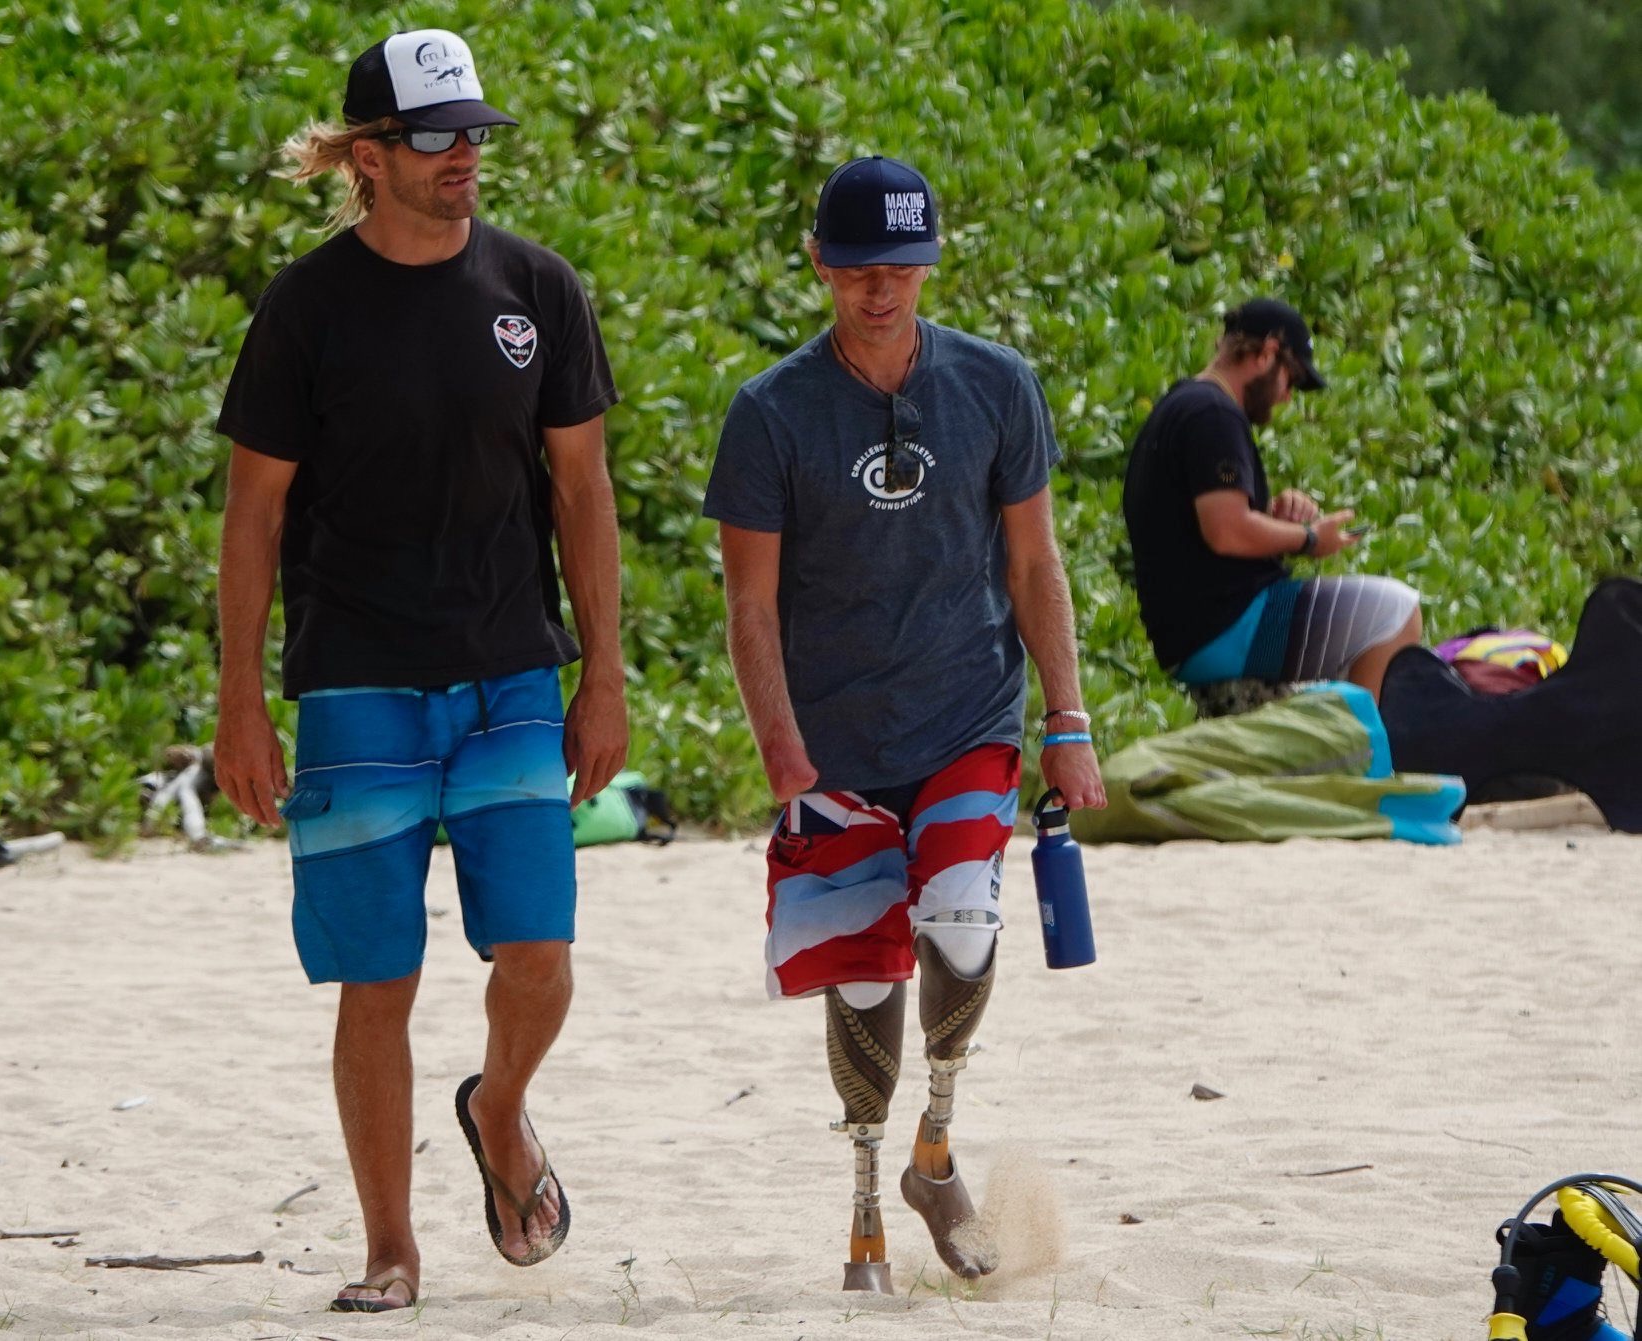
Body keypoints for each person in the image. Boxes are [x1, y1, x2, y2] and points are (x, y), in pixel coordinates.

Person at [210, 28, 624, 1314]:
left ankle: (498, 1109)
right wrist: (238, 704)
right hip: (354, 686)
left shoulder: (536, 288)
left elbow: (582, 490)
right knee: (375, 979)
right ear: (367, 157)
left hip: (510, 675)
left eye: (474, 135)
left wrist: (604, 675)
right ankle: (390, 1250)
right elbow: (253, 515)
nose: (464, 158)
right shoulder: (305, 308)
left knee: (538, 952)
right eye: (435, 137)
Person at [703, 155, 1107, 1294]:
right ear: (820, 264)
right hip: (832, 743)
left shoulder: (996, 384)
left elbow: (1034, 563)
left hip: (965, 716)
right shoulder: (769, 412)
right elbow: (748, 606)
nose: (879, 289)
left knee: (963, 923)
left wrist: (1067, 717)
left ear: (929, 264)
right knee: (864, 981)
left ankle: (936, 1145)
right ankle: (866, 1207)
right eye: (857, 268)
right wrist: (781, 751)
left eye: (901, 266)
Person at [1122, 299, 1423, 702]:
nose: (1286, 397)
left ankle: (1345, 723)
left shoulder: (1182, 405)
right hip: (1227, 628)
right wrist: (1309, 539)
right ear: (1266, 353)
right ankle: (1359, 735)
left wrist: (1273, 519)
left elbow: (1200, 530)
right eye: (1290, 379)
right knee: (1397, 611)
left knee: (1359, 646)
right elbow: (1226, 531)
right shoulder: (1212, 413)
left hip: (1196, 632)